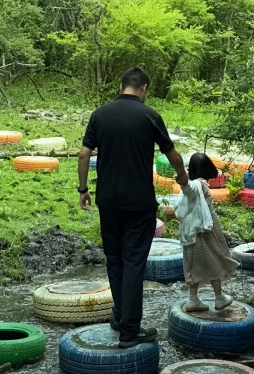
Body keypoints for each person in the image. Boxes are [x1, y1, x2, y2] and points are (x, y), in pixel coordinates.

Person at [78, 67, 187, 348]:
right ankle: (129, 330)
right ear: (144, 89)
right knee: (134, 263)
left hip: (108, 201)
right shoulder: (149, 116)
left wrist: (83, 189)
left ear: (122, 85)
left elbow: (84, 153)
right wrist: (183, 178)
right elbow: (171, 154)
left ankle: (119, 316)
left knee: (114, 260)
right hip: (139, 204)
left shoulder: (100, 114)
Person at [163, 151, 239, 312]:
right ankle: (219, 298)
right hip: (203, 235)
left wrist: (185, 179)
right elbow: (189, 189)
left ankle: (193, 299)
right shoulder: (198, 185)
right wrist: (183, 180)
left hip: (191, 233)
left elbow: (189, 189)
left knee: (192, 265)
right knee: (214, 262)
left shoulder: (197, 185)